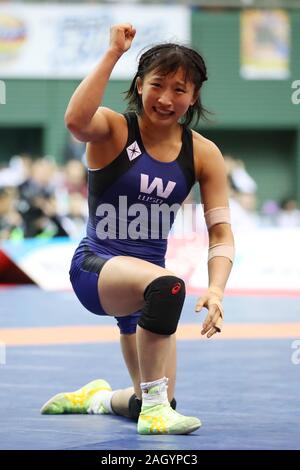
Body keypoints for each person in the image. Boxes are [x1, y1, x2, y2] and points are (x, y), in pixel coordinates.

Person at [41, 23, 234, 435]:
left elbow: (220, 233)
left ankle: (94, 398)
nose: (166, 99)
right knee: (169, 287)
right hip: (97, 269)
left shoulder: (203, 153)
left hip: (147, 288)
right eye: (157, 85)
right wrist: (113, 52)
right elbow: (75, 121)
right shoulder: (112, 129)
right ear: (139, 85)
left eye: (179, 90)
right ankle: (153, 411)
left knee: (156, 399)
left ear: (194, 96)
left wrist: (217, 289)